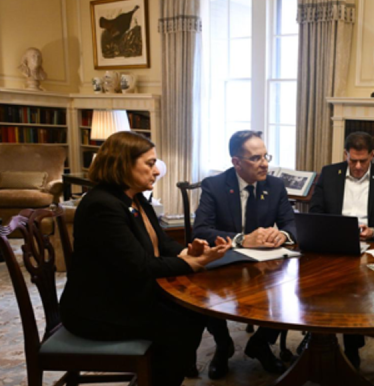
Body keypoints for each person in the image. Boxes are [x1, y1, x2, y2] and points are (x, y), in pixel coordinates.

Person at [59, 131, 230, 386]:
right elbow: (139, 266)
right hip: (96, 309)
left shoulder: (135, 197)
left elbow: (163, 242)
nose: (157, 171)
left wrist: (190, 251)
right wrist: (192, 263)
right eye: (150, 164)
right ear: (123, 164)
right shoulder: (102, 206)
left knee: (195, 307)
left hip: (125, 293)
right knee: (183, 322)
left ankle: (163, 373)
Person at [193, 130, 296, 378]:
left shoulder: (275, 185)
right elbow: (201, 229)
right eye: (256, 158)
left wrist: (283, 235)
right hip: (225, 260)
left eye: (266, 156)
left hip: (264, 264)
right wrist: (241, 239)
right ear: (236, 162)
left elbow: (292, 224)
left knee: (291, 289)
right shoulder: (215, 185)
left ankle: (261, 342)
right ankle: (222, 344)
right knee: (201, 289)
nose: (265, 163)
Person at [308, 131, 374, 368]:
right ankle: (316, 337)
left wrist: (373, 231)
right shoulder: (329, 173)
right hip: (334, 245)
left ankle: (351, 347)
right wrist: (333, 230)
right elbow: (315, 211)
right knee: (313, 284)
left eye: (364, 161)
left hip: (372, 247)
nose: (359, 166)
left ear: (373, 155)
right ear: (346, 154)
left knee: (355, 287)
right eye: (353, 161)